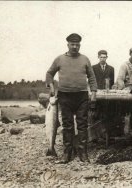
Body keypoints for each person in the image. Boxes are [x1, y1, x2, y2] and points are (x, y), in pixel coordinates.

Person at [46, 33, 97, 163]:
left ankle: (83, 153)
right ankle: (67, 154)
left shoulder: (85, 59)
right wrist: (51, 87)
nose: (74, 47)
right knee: (67, 125)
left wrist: (94, 93)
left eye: (77, 44)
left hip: (82, 96)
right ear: (67, 45)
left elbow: (91, 77)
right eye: (72, 44)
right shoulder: (59, 59)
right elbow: (49, 73)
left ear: (79, 45)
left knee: (82, 125)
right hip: (65, 96)